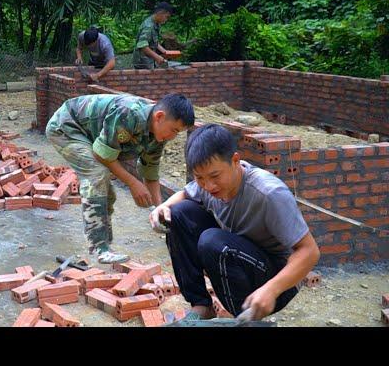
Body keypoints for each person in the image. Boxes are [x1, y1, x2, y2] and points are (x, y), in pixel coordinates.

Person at [149, 123, 320, 322]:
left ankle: (237, 317)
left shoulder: (269, 194)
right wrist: (163, 207)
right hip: (236, 255)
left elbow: (310, 252)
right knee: (177, 214)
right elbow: (185, 194)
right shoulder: (206, 184)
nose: (208, 185)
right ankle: (201, 305)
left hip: (275, 282)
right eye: (200, 178)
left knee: (212, 241)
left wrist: (271, 289)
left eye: (215, 176)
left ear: (235, 160)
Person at [46, 93, 195, 264]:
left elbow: (150, 172)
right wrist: (133, 183)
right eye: (174, 130)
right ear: (159, 117)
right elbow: (102, 155)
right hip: (66, 127)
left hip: (89, 134)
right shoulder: (129, 114)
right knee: (96, 173)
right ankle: (99, 249)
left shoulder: (158, 135)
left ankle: (105, 244)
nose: (173, 137)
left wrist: (159, 209)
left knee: (106, 189)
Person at [132, 1, 176, 70]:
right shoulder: (148, 26)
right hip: (142, 62)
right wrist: (157, 57)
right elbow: (143, 46)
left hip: (149, 60)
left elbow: (154, 41)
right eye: (166, 17)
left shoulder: (156, 23)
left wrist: (165, 52)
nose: (166, 20)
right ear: (161, 13)